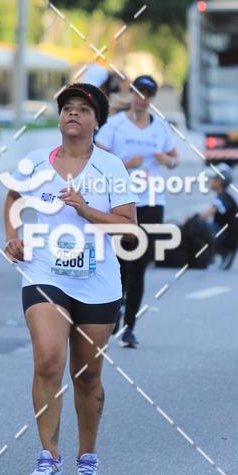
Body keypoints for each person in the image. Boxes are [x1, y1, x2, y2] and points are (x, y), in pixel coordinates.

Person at [4, 83, 137, 475]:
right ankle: (48, 457)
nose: (73, 115)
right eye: (67, 109)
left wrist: (85, 209)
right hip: (46, 272)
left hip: (97, 280)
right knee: (47, 359)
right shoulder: (35, 162)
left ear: (97, 121)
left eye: (83, 109)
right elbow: (12, 195)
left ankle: (87, 459)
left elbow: (128, 227)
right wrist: (14, 234)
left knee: (87, 373)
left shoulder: (110, 167)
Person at [96, 75, 179, 348]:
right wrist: (124, 163)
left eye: (148, 93)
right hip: (120, 202)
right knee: (119, 262)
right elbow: (97, 157)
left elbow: (175, 160)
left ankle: (130, 326)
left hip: (152, 202)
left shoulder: (161, 127)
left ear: (153, 97)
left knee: (139, 265)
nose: (142, 98)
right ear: (130, 94)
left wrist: (165, 159)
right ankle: (115, 311)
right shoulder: (116, 125)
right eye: (138, 92)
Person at [198, 164, 238, 269]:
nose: (210, 181)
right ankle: (222, 252)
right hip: (231, 234)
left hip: (231, 235)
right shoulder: (224, 196)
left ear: (220, 181)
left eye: (213, 179)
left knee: (202, 227)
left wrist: (194, 219)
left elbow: (207, 214)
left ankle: (222, 252)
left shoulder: (223, 197)